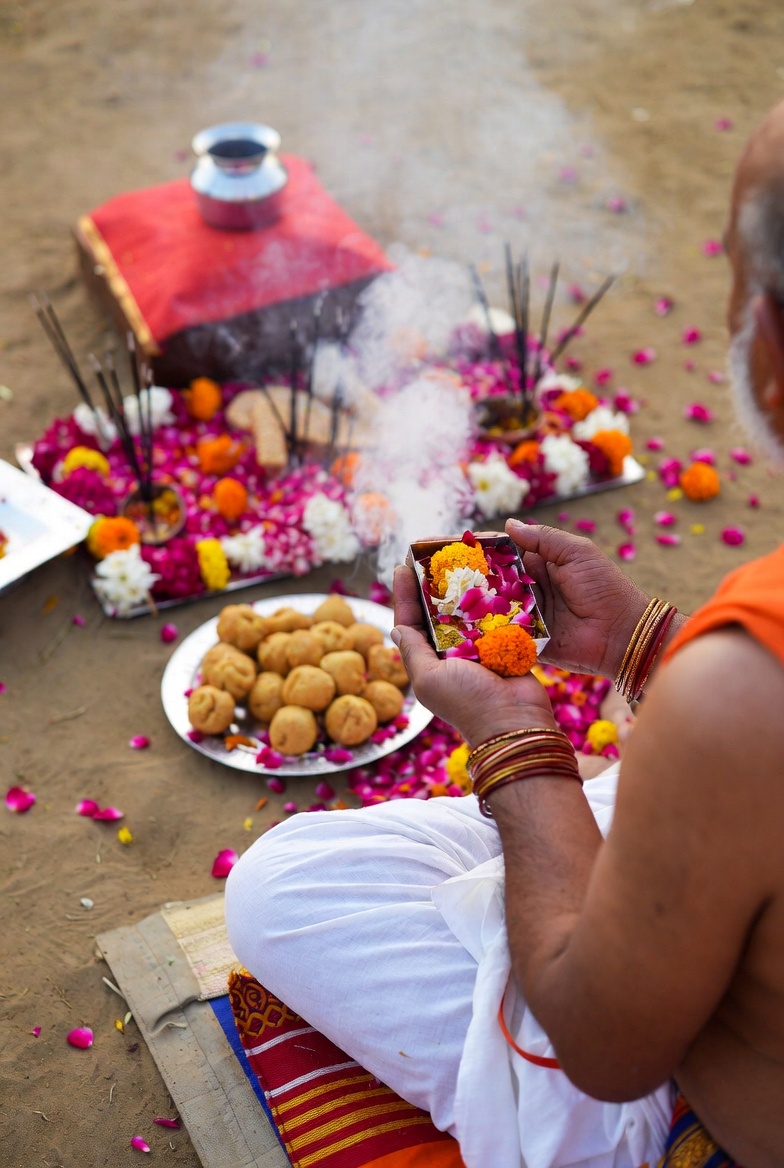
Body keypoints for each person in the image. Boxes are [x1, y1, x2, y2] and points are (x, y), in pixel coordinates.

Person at [225, 98, 784, 1168]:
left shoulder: (738, 703)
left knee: (280, 890)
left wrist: (516, 736)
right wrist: (644, 646)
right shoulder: (732, 697)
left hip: (666, 1078)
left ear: (765, 351)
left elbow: (603, 1045)